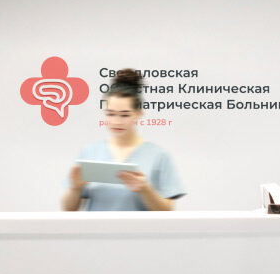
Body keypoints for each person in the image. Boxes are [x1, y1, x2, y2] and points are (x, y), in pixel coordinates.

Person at [61, 68, 186, 211]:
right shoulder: (89, 152)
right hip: (97, 227)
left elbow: (168, 211)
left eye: (125, 115)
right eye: (111, 114)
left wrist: (145, 189)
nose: (117, 122)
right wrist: (75, 188)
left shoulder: (159, 156)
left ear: (138, 114)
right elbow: (69, 209)